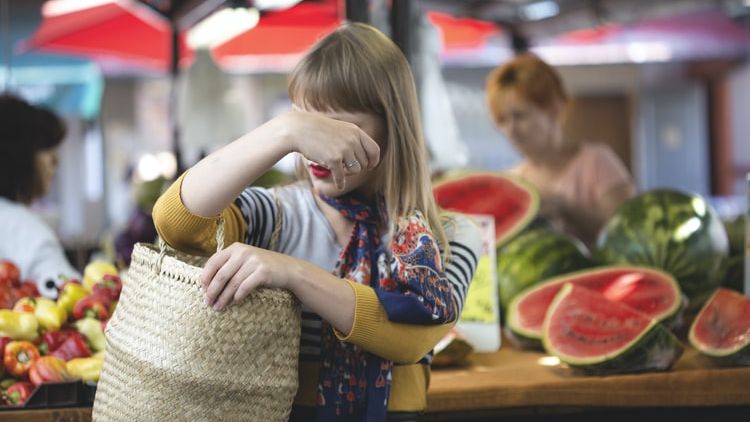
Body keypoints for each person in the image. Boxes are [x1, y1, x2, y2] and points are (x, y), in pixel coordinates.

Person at [153, 23, 481, 422]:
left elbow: (410, 340)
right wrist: (283, 130)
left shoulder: (449, 237)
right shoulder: (276, 215)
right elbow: (176, 222)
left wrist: (293, 273)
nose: (317, 147)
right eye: (309, 126)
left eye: (339, 126)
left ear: (391, 126)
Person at [485, 53, 635, 247]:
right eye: (503, 120)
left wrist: (567, 209)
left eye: (520, 116)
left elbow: (627, 233)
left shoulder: (597, 161)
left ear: (553, 110)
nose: (510, 130)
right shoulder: (511, 180)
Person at [0, 93, 80, 298]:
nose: (55, 162)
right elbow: (71, 296)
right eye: (46, 148)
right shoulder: (23, 228)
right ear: (18, 155)